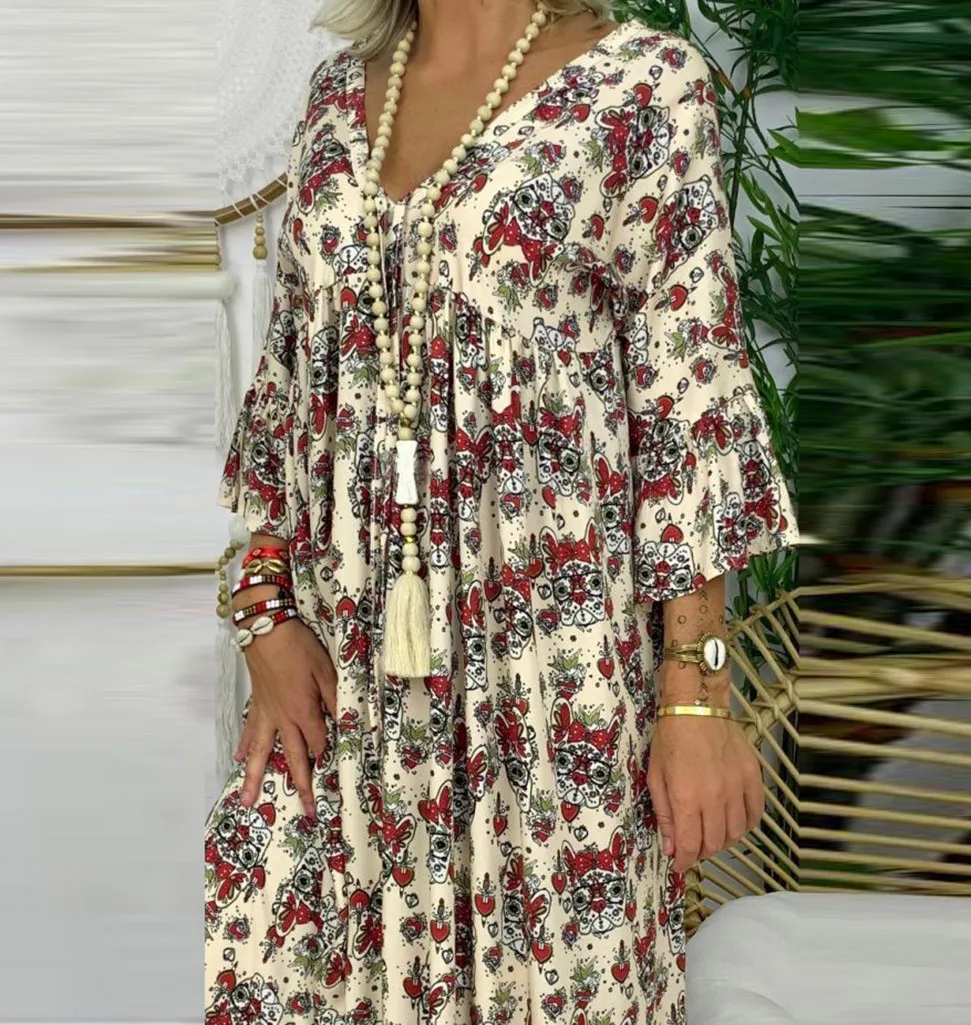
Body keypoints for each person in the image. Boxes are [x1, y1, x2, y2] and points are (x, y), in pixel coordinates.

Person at [205, 2, 800, 1023]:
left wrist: (696, 696)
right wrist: (264, 611)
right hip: (350, 672)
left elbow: (688, 401)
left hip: (548, 684)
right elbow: (291, 382)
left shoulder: (645, 86)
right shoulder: (337, 97)